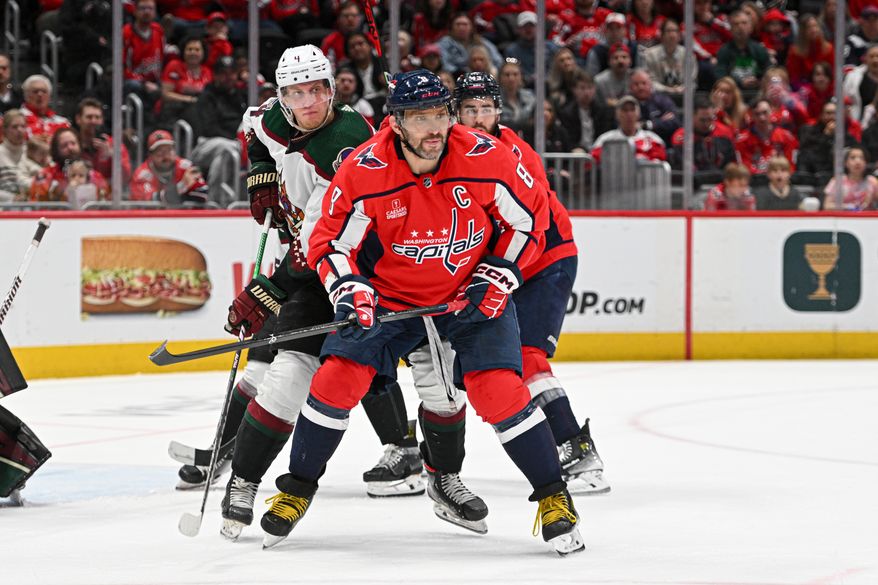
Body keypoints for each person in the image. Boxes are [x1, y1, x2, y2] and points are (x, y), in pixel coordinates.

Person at [259, 69, 585, 555]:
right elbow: (330, 243)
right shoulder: (364, 169)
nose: (434, 128)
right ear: (395, 123)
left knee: (497, 390)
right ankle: (297, 489)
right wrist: (348, 289)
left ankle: (555, 500)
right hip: (389, 293)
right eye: (419, 118)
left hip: (469, 291)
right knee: (336, 379)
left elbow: (530, 219)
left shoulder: (486, 157)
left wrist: (500, 275)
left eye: (440, 115)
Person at [213, 46, 428, 541]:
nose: (307, 102)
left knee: (368, 370)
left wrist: (266, 291)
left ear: (332, 89)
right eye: (295, 92)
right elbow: (254, 131)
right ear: (282, 95)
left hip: (359, 267)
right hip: (312, 262)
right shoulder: (273, 116)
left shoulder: (348, 143)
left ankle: (421, 457)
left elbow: (319, 245)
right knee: (286, 375)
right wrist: (261, 177)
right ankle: (243, 483)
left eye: (316, 90)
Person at [454, 71, 611, 494]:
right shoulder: (449, 150)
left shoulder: (513, 153)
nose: (477, 117)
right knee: (460, 369)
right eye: (469, 109)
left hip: (544, 260)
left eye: (485, 109)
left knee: (525, 357)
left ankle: (575, 449)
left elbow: (530, 224)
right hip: (503, 266)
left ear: (498, 113)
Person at [186, 56, 248, 204]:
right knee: (229, 148)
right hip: (204, 145)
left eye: (231, 73)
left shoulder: (240, 96)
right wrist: (236, 140)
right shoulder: (206, 96)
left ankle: (218, 201)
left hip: (231, 146)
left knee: (228, 152)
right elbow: (209, 128)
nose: (228, 77)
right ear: (215, 75)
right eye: (223, 73)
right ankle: (215, 200)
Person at [29, 127, 109, 202]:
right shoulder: (44, 176)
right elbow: (37, 206)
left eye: (73, 143)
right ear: (56, 150)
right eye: (64, 145)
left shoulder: (95, 176)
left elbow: (106, 205)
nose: (70, 148)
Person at [129, 130, 207, 205]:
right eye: (159, 152)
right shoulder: (141, 175)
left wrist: (174, 197)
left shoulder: (187, 167)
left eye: (169, 150)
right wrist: (182, 186)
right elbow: (150, 203)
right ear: (150, 155)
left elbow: (202, 195)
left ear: (175, 151)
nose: (165, 156)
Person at [591, 96, 667, 165]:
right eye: (625, 110)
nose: (629, 114)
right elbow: (593, 162)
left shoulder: (653, 139)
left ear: (638, 114)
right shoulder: (605, 140)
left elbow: (658, 165)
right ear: (617, 115)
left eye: (632, 110)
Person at [75, 98, 132, 185]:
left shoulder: (115, 145)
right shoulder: (72, 144)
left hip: (107, 196)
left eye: (97, 117)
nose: (93, 121)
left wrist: (112, 156)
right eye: (89, 117)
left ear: (102, 120)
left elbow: (126, 178)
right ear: (78, 119)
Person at [734, 98, 798, 176]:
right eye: (757, 114)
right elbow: (744, 168)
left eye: (765, 112)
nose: (762, 118)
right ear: (751, 115)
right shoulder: (742, 140)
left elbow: (791, 166)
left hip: (780, 180)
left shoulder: (787, 137)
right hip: (754, 182)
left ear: (772, 111)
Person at [122, 0, 164, 112]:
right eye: (143, 8)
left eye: (150, 9)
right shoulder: (126, 33)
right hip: (133, 81)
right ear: (134, 11)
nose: (147, 12)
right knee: (134, 86)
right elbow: (121, 68)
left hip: (154, 80)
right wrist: (144, 83)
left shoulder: (158, 30)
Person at [557, 69, 614, 152]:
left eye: (590, 88)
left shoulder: (604, 111)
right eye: (582, 88)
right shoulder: (566, 113)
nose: (587, 92)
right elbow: (568, 140)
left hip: (600, 152)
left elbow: (606, 135)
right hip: (577, 155)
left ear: (595, 89)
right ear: (574, 90)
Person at [715, 9, 769, 90]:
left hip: (757, 93)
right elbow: (720, 77)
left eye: (744, 23)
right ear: (731, 28)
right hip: (733, 94)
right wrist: (740, 82)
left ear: (751, 27)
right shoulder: (724, 51)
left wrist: (759, 81)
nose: (740, 27)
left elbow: (769, 71)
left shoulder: (759, 49)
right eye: (736, 24)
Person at [0, 110, 41, 202]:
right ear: (4, 130)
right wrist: (12, 198)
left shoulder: (33, 151)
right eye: (14, 127)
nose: (20, 130)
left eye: (23, 126)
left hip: (35, 205)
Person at [19, 75, 70, 141]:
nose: (40, 94)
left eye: (44, 91)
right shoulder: (15, 120)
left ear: (49, 96)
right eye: (35, 91)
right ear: (26, 95)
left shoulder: (62, 123)